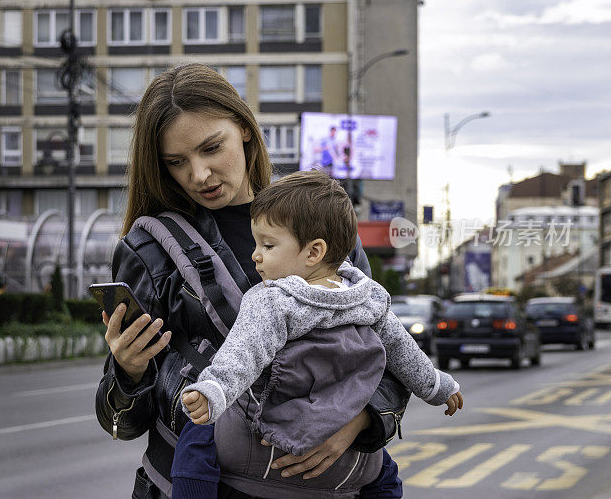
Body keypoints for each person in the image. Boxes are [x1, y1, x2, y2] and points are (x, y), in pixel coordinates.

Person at [95, 63, 411, 499]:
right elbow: (123, 422)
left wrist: (359, 422)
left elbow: (384, 352)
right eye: (177, 162)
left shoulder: (319, 220)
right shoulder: (149, 248)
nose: (199, 174)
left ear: (244, 129)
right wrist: (128, 372)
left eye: (211, 148)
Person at [177, 170, 464, 497]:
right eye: (257, 243)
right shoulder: (369, 296)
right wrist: (438, 386)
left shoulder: (273, 299)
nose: (256, 255)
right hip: (349, 445)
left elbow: (242, 355)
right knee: (387, 475)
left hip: (280, 435)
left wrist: (213, 390)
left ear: (313, 252)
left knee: (195, 437)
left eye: (268, 245)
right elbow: (404, 353)